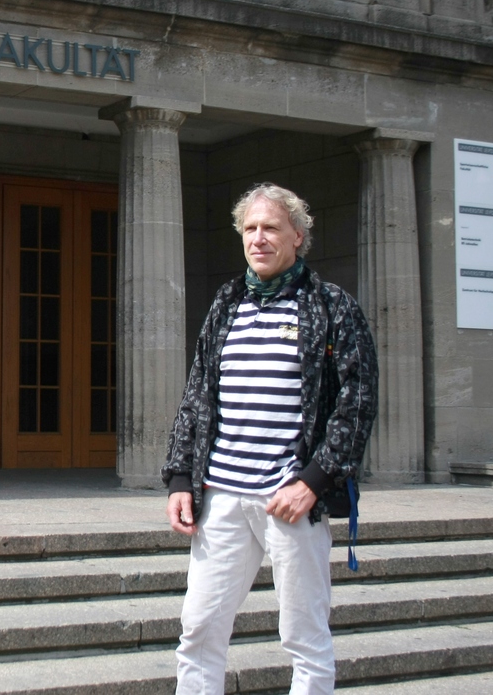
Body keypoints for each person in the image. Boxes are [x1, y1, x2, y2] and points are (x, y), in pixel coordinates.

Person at [162, 183, 378, 695]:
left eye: (271, 228)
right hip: (222, 496)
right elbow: (198, 395)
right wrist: (178, 478)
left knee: (304, 637)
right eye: (250, 228)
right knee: (198, 629)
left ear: (298, 236)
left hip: (290, 499)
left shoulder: (331, 307)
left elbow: (357, 402)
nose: (259, 238)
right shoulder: (227, 303)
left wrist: (313, 481)